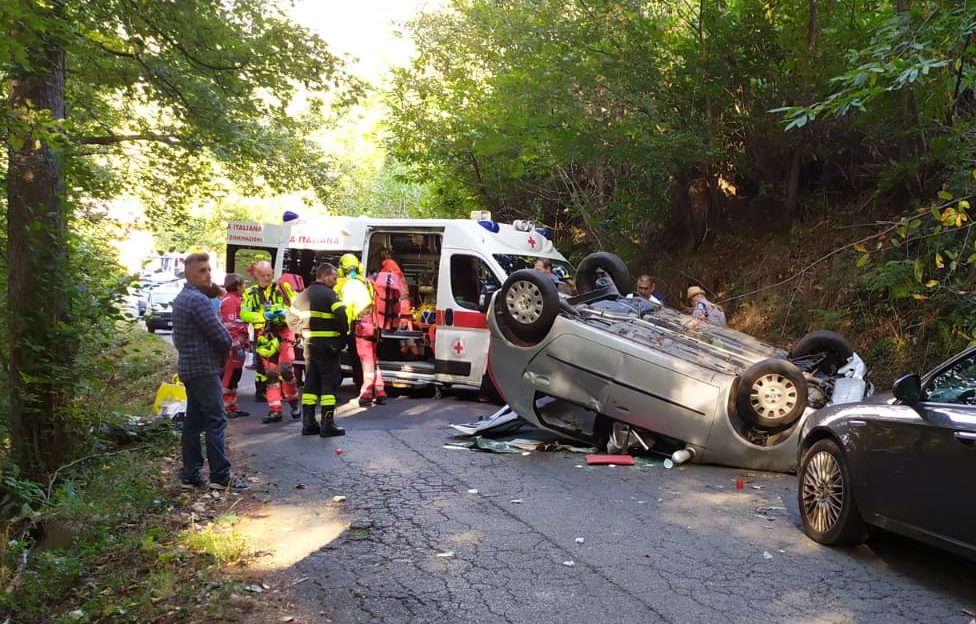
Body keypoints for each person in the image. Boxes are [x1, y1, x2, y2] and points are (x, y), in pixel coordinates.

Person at [171, 253, 248, 490]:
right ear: (189, 274)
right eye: (202, 270)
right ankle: (220, 475)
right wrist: (228, 343)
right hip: (204, 369)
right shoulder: (197, 301)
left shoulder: (183, 298)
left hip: (190, 368)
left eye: (208, 270)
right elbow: (221, 335)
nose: (208, 274)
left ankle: (191, 474)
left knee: (194, 422)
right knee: (216, 420)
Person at [287, 263, 348, 436]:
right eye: (334, 278)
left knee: (311, 383)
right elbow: (342, 315)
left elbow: (290, 318)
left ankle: (308, 424)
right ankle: (327, 425)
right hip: (328, 346)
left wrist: (303, 331)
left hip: (309, 346)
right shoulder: (330, 295)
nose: (336, 282)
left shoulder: (302, 295)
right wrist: (340, 340)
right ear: (324, 276)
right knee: (329, 383)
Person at [240, 260, 300, 423]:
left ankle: (294, 402)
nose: (267, 278)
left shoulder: (283, 288)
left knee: (287, 370)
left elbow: (297, 307)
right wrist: (261, 316)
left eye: (269, 275)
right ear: (256, 275)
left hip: (284, 334)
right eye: (263, 275)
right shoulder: (250, 293)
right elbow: (244, 314)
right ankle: (275, 410)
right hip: (265, 337)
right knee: (271, 375)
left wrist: (285, 312)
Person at [337, 253, 387, 407]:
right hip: (373, 324)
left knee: (366, 361)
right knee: (373, 359)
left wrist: (343, 329)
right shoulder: (366, 282)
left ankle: (366, 393)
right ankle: (380, 391)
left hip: (362, 325)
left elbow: (346, 308)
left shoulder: (350, 285)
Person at [220, 273, 250, 420]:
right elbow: (230, 325)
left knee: (235, 378)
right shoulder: (230, 301)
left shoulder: (237, 299)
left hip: (240, 345)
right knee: (229, 377)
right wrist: (235, 345)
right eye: (242, 285)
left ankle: (233, 406)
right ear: (237, 286)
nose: (244, 287)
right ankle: (225, 407)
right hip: (233, 348)